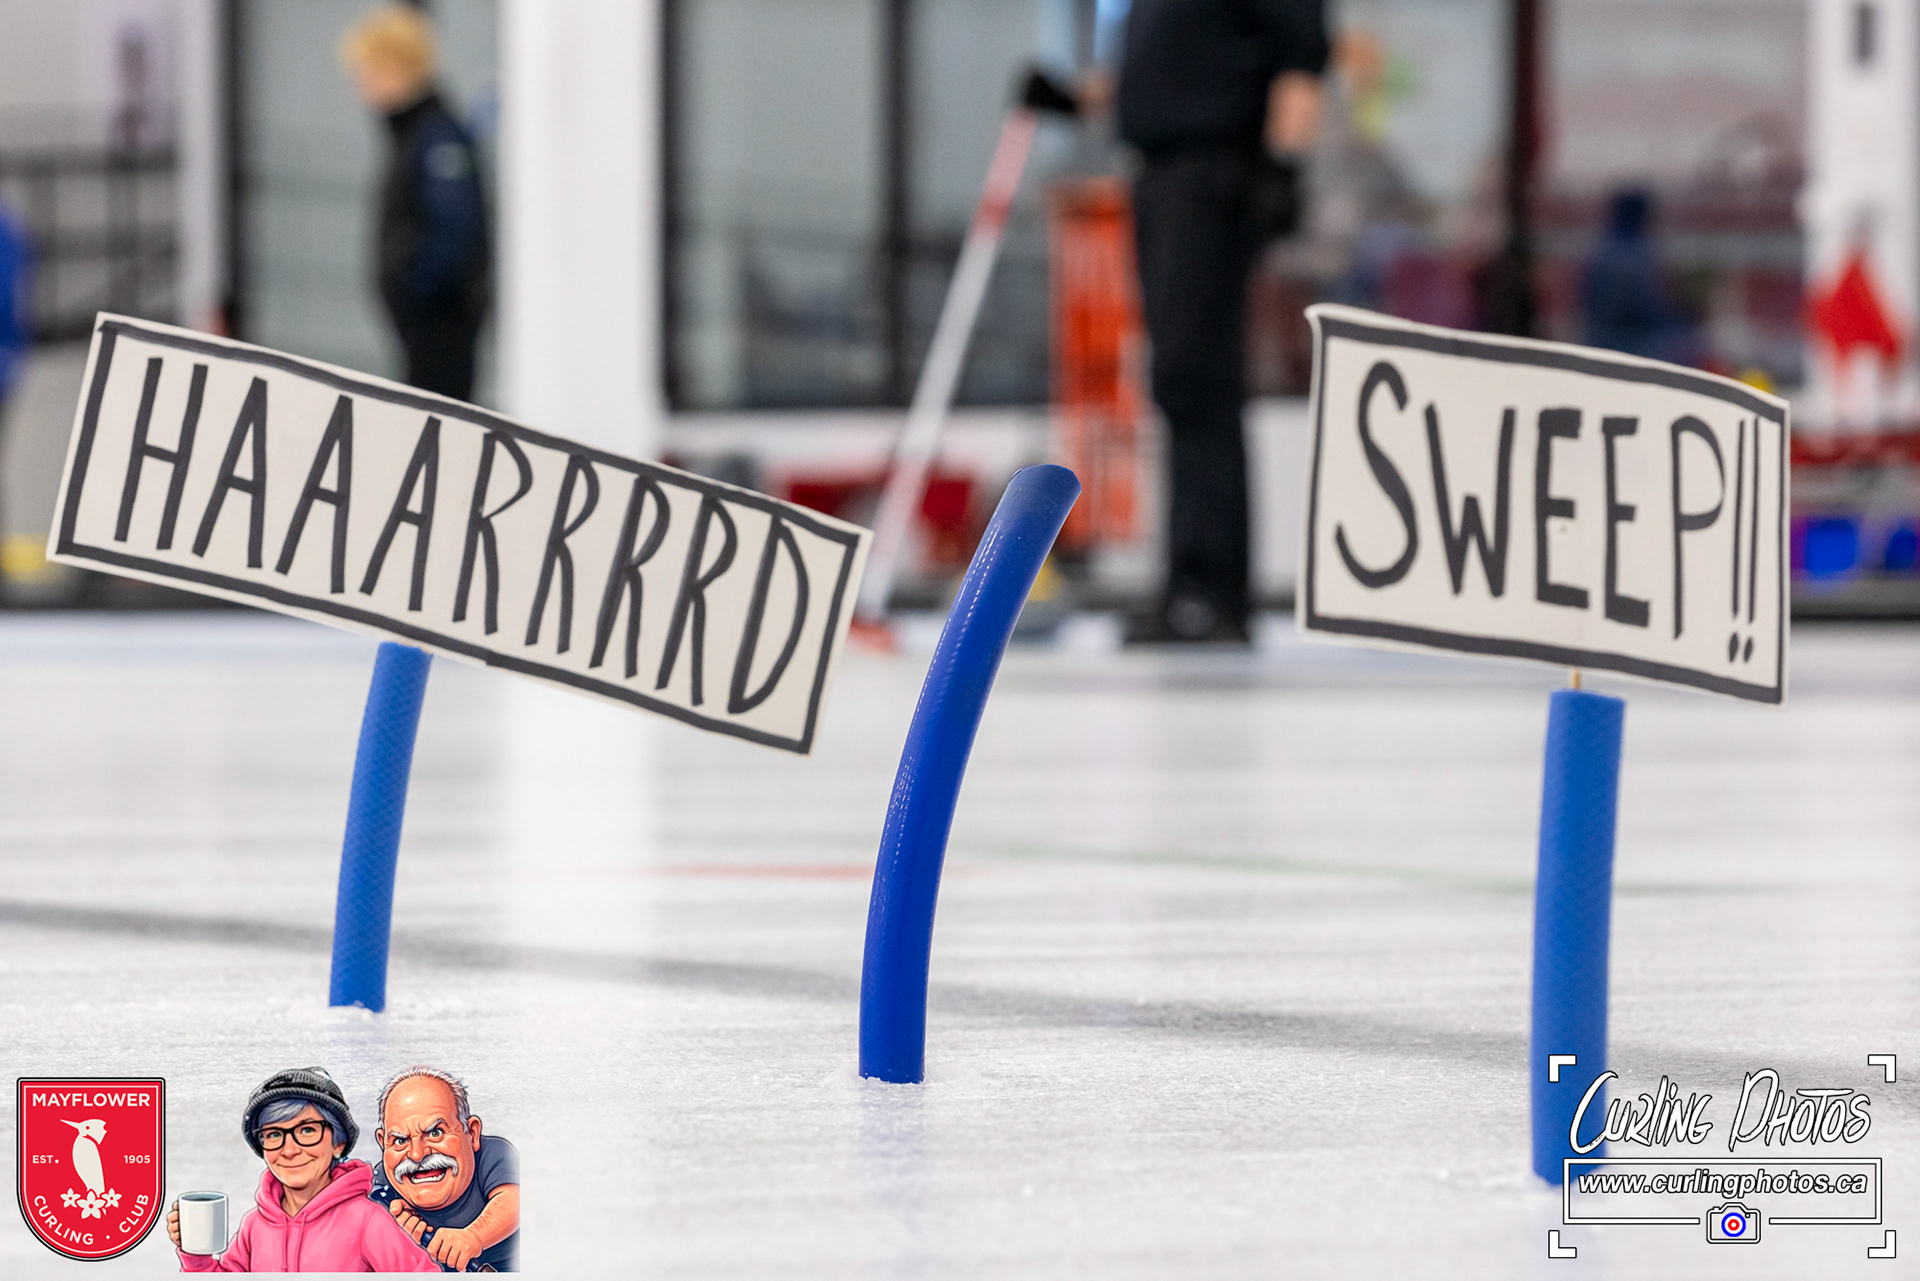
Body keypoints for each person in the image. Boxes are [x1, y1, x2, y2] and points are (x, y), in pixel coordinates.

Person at [1115, 0, 1330, 642]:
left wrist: (1282, 169)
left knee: (1199, 376)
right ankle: (1187, 581)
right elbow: (1167, 72)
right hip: (1161, 174)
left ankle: (1212, 590)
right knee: (1177, 383)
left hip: (1213, 174)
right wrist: (1074, 99)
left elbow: (1301, 60)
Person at [340, 5, 490, 401]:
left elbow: (454, 228)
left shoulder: (436, 137)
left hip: (440, 323)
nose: (361, 86)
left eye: (368, 72)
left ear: (397, 69)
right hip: (425, 325)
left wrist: (413, 291)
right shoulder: (415, 136)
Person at [167, 1067, 437, 1272]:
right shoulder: (255, 1225)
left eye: (307, 1130)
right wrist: (197, 1256)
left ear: (338, 1143)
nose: (289, 1150)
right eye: (274, 1134)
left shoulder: (366, 1221)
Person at [372, 1066, 520, 1271]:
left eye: (435, 1133)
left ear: (472, 1133)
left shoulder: (496, 1154)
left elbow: (515, 1199)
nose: (417, 1154)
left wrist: (473, 1237)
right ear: (382, 1143)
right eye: (399, 1140)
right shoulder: (380, 1184)